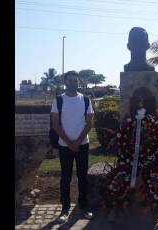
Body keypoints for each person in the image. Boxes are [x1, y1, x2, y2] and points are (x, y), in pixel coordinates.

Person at [50, 71, 94, 222]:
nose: (73, 83)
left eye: (76, 81)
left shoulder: (86, 100)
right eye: (70, 80)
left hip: (83, 144)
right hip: (64, 145)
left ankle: (84, 206)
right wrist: (69, 143)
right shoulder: (58, 100)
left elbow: (89, 123)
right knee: (66, 177)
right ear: (65, 82)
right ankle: (65, 209)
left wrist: (77, 142)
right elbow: (55, 124)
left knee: (83, 177)